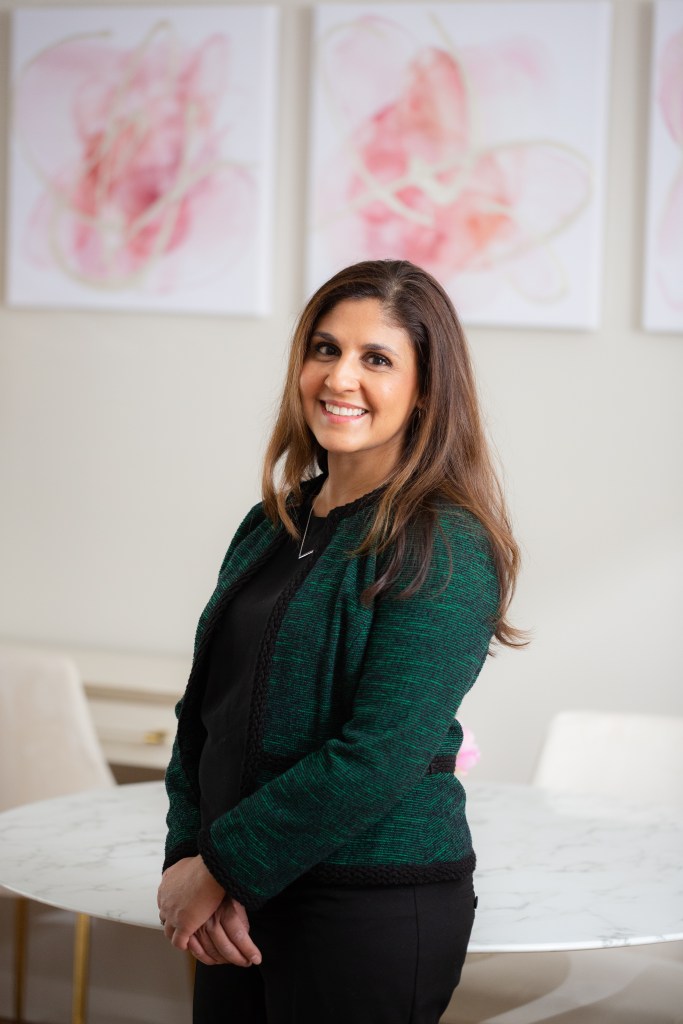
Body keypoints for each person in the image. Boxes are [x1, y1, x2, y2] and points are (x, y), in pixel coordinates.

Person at [157, 259, 523, 1024]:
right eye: (324, 349)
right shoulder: (270, 523)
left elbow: (379, 753)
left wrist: (219, 867)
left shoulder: (444, 542)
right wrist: (187, 858)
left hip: (366, 909)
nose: (339, 377)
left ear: (425, 391)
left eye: (376, 359)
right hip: (235, 901)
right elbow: (202, 715)